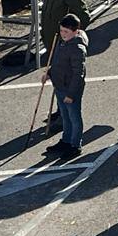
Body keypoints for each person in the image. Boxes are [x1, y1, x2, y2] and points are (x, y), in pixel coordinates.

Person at [37, 0, 91, 127]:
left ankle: (65, 119)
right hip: (53, 44)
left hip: (64, 46)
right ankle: (61, 111)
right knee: (58, 80)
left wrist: (69, 35)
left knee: (66, 81)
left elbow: (84, 17)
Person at [42, 13, 88, 158]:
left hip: (70, 90)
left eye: (66, 32)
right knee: (65, 117)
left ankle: (75, 145)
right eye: (61, 31)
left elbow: (78, 75)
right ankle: (66, 141)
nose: (63, 34)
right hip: (60, 86)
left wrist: (71, 94)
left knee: (74, 118)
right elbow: (57, 63)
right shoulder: (62, 42)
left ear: (75, 31)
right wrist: (49, 73)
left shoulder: (77, 49)